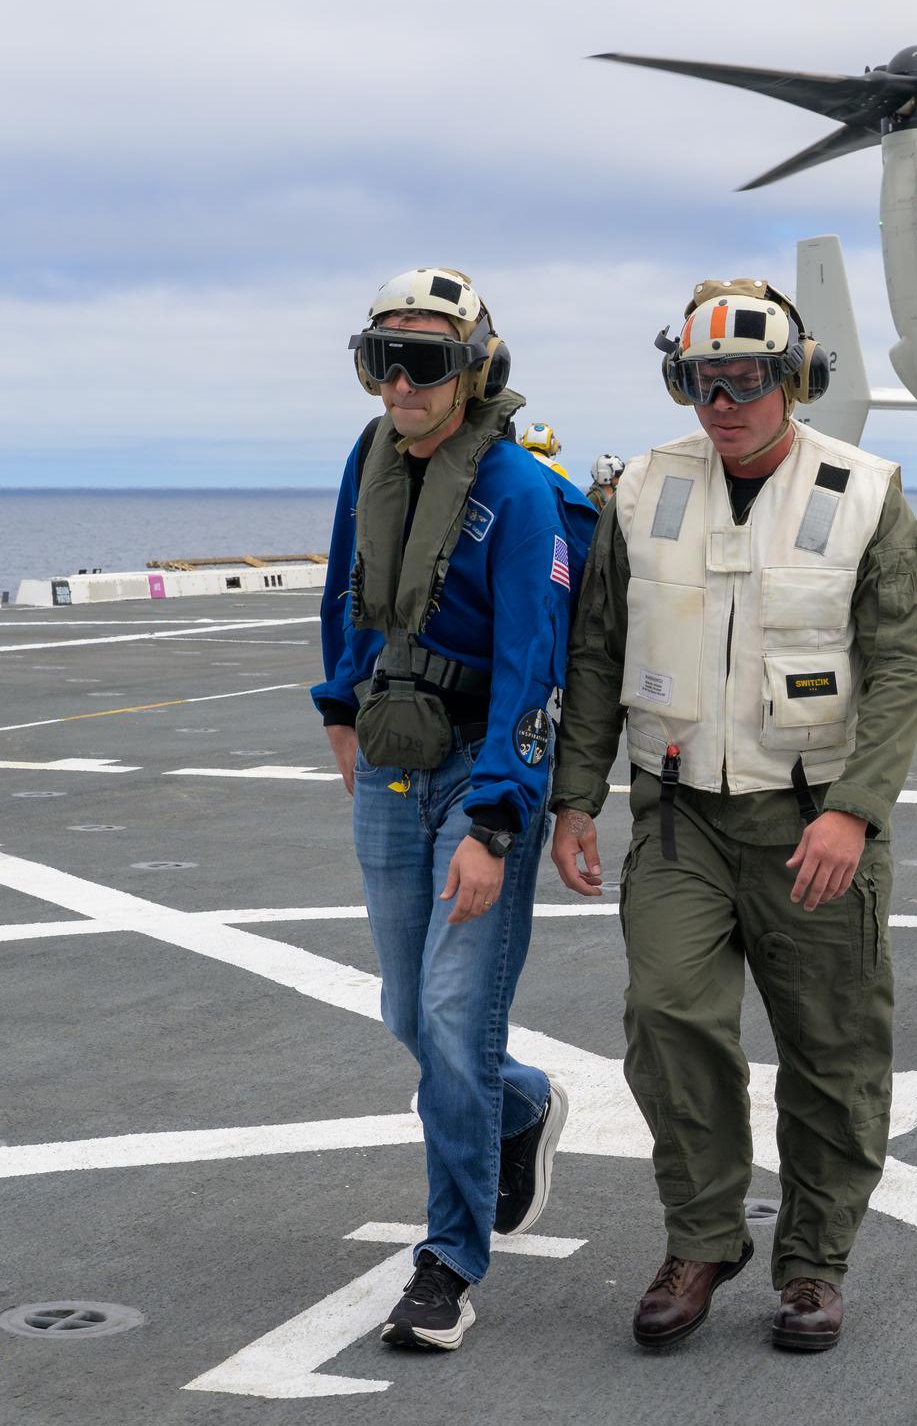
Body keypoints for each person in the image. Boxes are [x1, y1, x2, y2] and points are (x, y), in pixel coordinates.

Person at [549, 277, 917, 1354]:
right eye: (702, 379)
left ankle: (813, 1263)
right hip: (680, 817)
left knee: (832, 1048)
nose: (724, 401)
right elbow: (596, 656)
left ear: (794, 379)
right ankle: (703, 1235)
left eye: (748, 378)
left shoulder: (866, 492)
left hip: (814, 818)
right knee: (667, 1013)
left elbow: (903, 669)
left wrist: (854, 812)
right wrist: (575, 796)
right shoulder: (639, 493)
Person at [312, 267, 599, 1352]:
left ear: (472, 368)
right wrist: (338, 706)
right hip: (389, 762)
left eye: (424, 360)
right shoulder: (370, 457)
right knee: (408, 1013)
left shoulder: (521, 495)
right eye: (381, 357)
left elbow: (535, 665)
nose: (400, 380)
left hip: (478, 773)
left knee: (449, 1017)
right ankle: (519, 1104)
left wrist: (495, 823)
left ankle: (449, 1262)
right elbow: (346, 582)